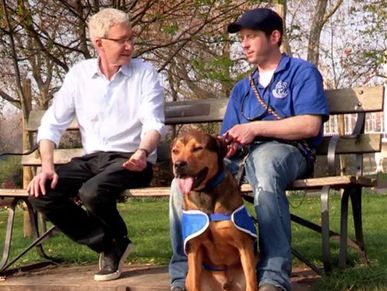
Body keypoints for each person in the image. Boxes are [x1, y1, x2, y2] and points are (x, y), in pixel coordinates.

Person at [168, 7, 329, 291]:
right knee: (179, 184)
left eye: (251, 36)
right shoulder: (243, 87)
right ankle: (183, 277)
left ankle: (273, 277)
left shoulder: (302, 73)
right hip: (242, 160)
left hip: (287, 153)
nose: (243, 44)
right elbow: (225, 140)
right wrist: (226, 145)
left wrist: (255, 128)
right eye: (241, 38)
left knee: (266, 166)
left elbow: (310, 126)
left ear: (274, 36)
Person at [27, 8, 166, 282]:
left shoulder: (144, 73)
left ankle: (113, 245)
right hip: (92, 160)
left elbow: (154, 122)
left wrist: (142, 152)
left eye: (131, 39)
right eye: (122, 40)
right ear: (99, 43)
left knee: (92, 191)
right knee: (41, 192)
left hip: (131, 159)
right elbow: (51, 124)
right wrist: (46, 166)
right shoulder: (79, 75)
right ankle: (108, 243)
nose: (129, 46)